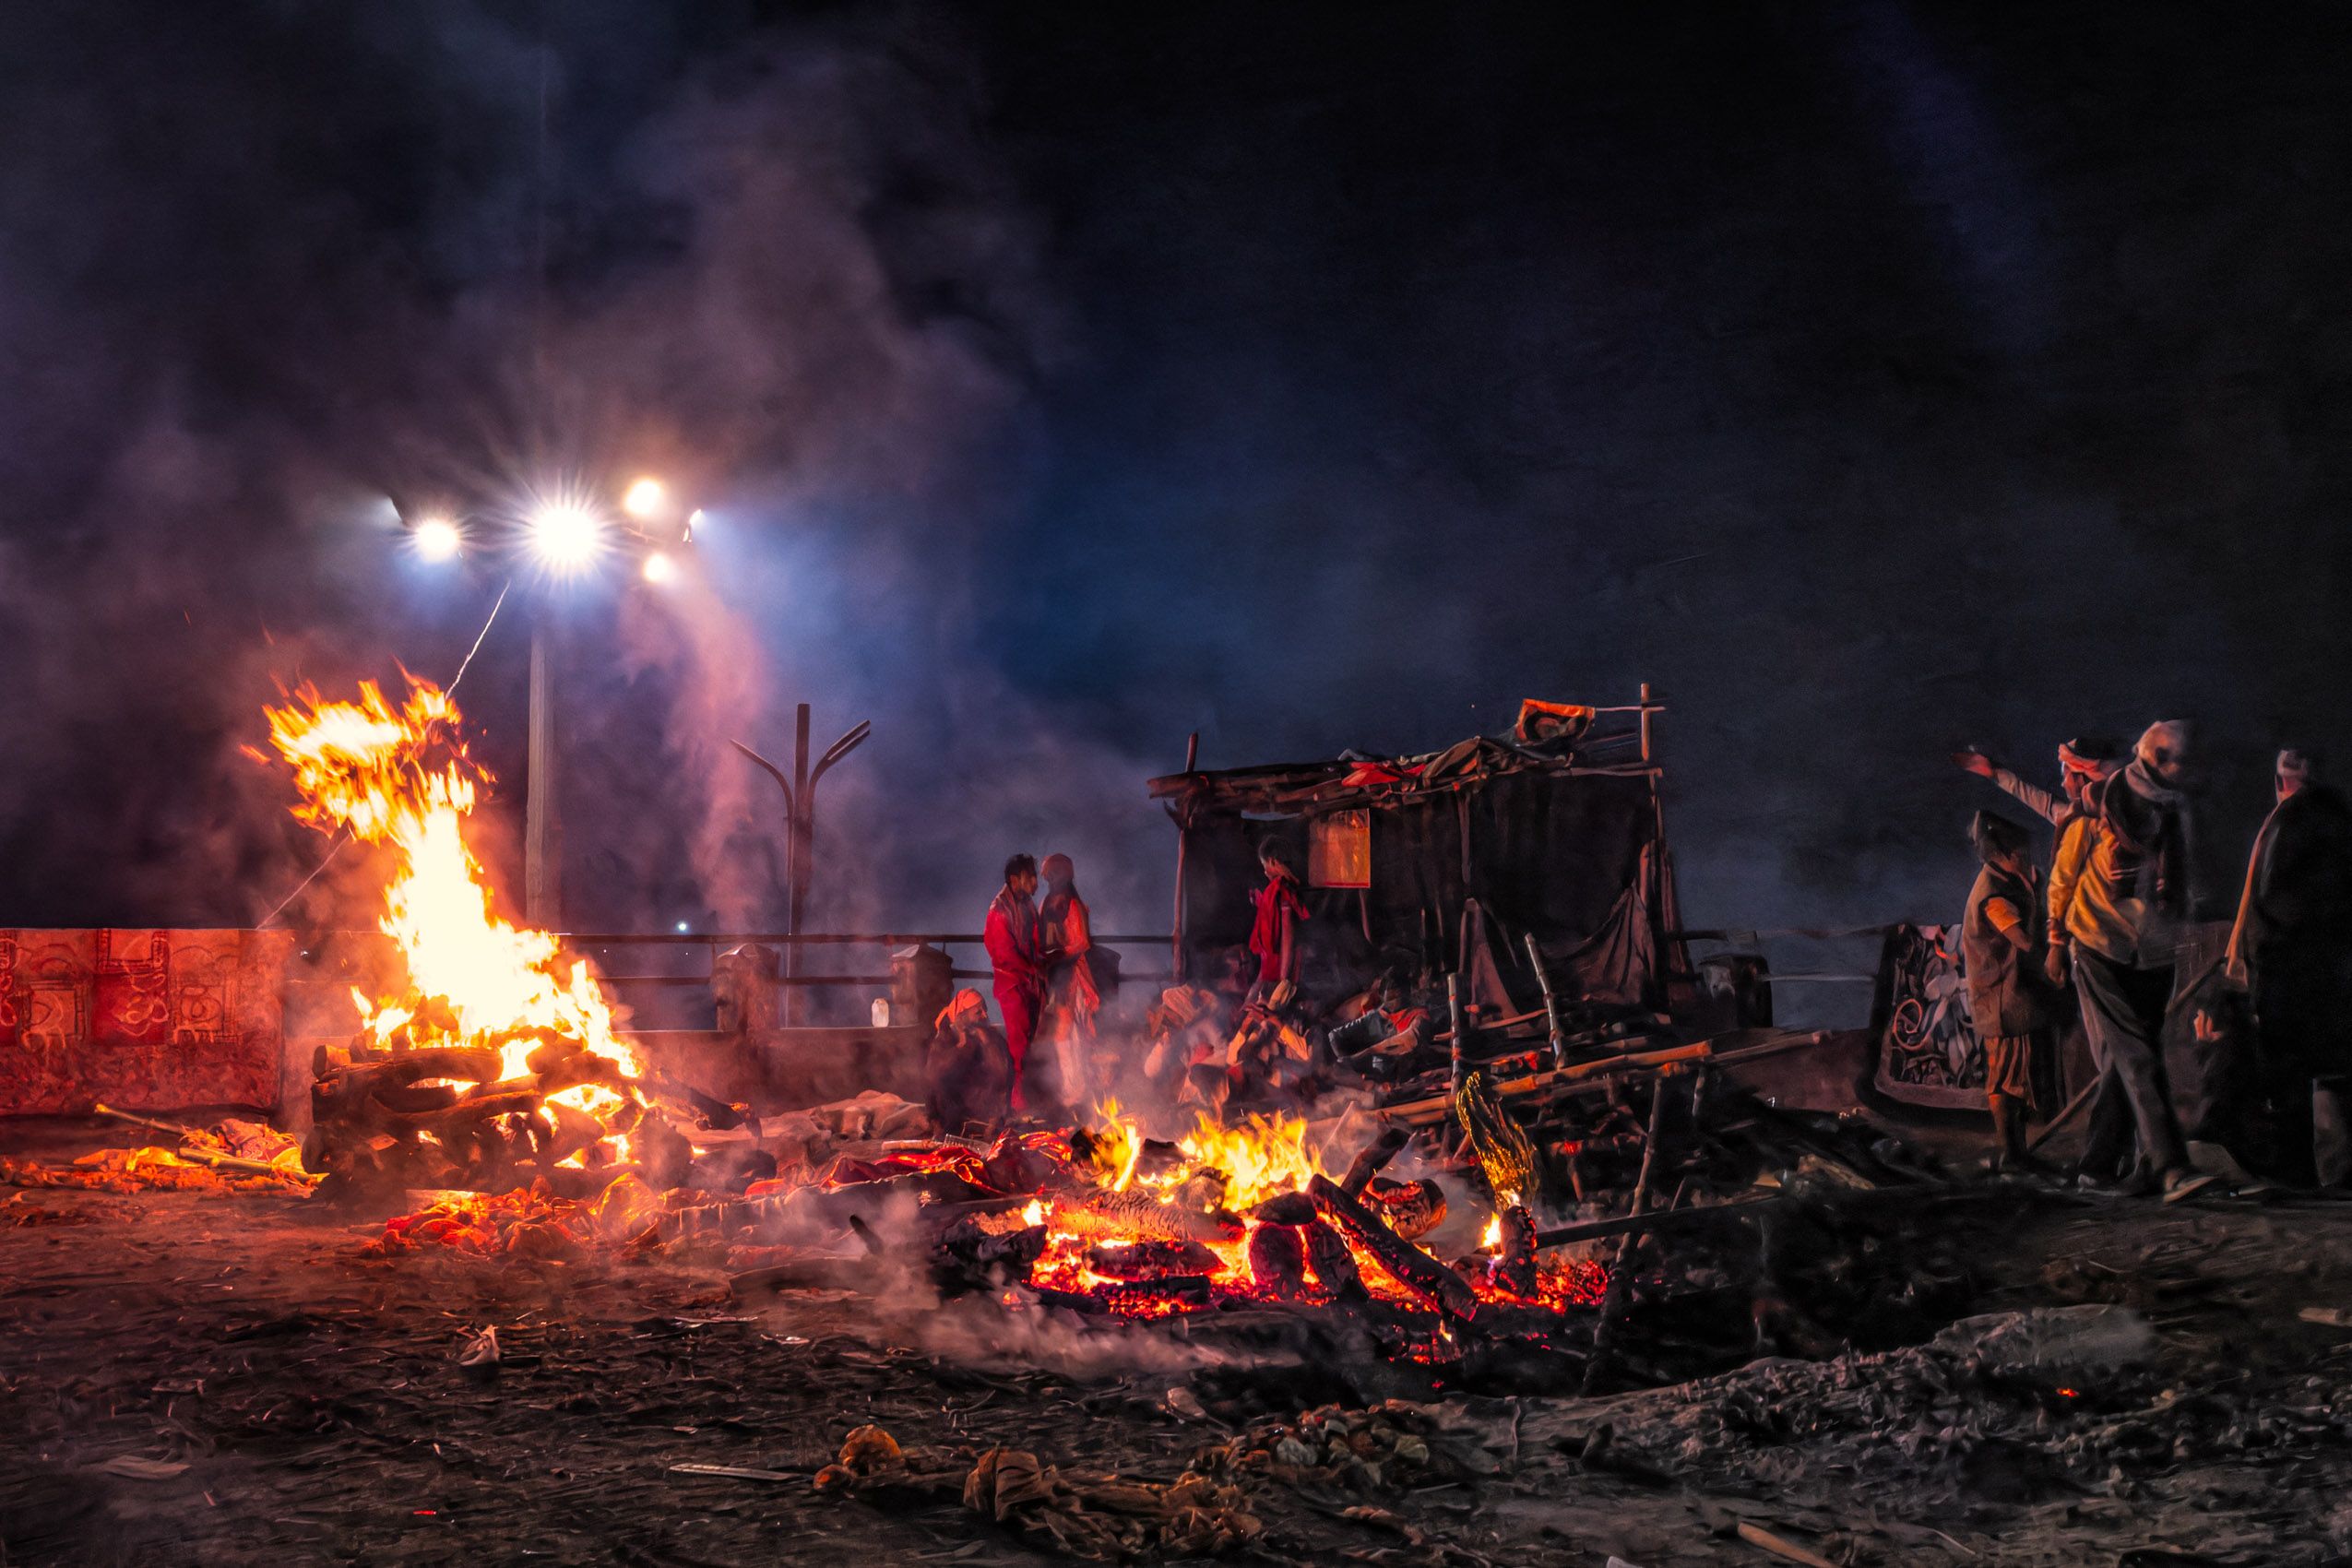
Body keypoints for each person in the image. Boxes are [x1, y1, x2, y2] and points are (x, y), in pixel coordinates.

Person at [2047, 720, 2213, 1199]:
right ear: (2159, 761)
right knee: (2137, 1057)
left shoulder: (2177, 812)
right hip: (2100, 946)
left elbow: (2187, 885)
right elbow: (2063, 880)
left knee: (2129, 1061)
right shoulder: (2098, 806)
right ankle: (2170, 1166)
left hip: (2155, 953)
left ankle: (2105, 1166)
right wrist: (2057, 944)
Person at [2214, 750, 2352, 1185]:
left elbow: (2269, 898)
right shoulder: (2340, 816)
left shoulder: (2288, 822)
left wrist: (2257, 963)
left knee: (2293, 1070)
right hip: (2332, 967)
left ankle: (2304, 1172)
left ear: (2283, 781)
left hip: (2294, 967)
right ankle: (2337, 1171)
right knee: (2333, 1069)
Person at [1962, 812, 2059, 1175]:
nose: (2027, 855)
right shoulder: (1993, 895)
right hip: (2002, 998)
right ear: (2001, 853)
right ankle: (2011, 1154)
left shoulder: (2015, 879)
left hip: (2018, 997)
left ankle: (2017, 1153)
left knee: (2017, 1077)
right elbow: (2023, 940)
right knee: (2005, 1078)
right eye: (2020, 850)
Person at [1036, 852, 1102, 1115]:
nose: (1049, 879)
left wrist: (1059, 956)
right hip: (1054, 973)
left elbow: (1082, 942)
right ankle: (1069, 1087)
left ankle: (1075, 1089)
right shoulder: (1047, 902)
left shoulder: (1073, 905)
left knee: (1069, 1031)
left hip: (1072, 973)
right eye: (1047, 876)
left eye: (1053, 874)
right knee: (1060, 1032)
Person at [983, 854, 1046, 1114]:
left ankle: (1031, 1098)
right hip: (1011, 985)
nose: (1035, 881)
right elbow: (1005, 954)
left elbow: (1035, 939)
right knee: (1020, 1044)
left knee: (1032, 1040)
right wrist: (1034, 969)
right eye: (1029, 876)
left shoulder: (1026, 904)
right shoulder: (999, 911)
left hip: (1028, 982)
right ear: (1014, 879)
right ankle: (1019, 1105)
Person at [926, 989, 1012, 1132]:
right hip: (954, 1106)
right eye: (978, 1012)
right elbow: (933, 1075)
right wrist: (963, 1046)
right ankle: (939, 1126)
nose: (985, 1015)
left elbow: (1002, 1075)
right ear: (962, 1016)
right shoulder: (946, 1036)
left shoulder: (991, 1036)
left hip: (982, 1106)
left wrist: (987, 1043)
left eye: (985, 1009)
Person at [1247, 842, 1309, 995]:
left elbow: (1288, 934)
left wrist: (1283, 979)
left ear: (1273, 861)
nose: (1265, 872)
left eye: (1265, 865)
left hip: (1283, 963)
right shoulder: (1287, 885)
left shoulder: (1281, 888)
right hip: (1279, 960)